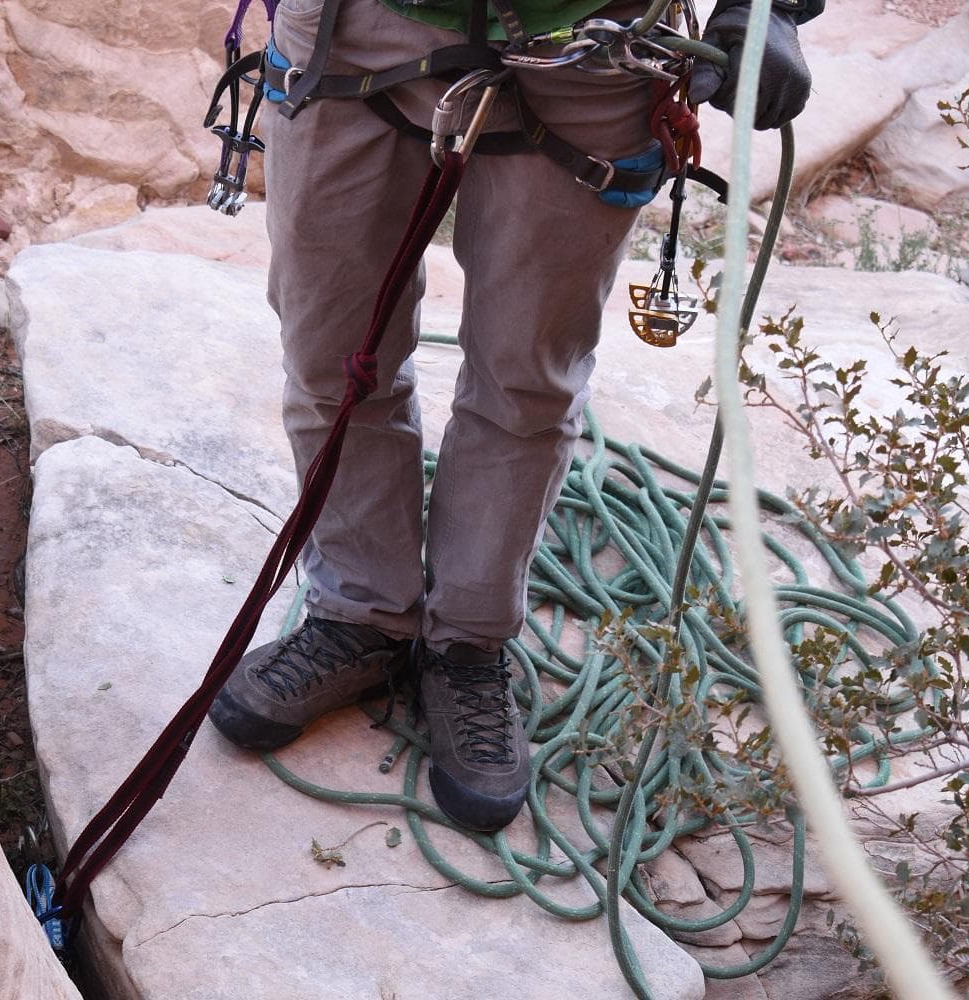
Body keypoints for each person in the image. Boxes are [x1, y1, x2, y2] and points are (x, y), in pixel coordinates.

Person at [207, 0, 815, 831]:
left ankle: (469, 640)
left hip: (590, 37)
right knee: (332, 354)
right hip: (356, 22)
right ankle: (362, 614)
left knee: (527, 380)